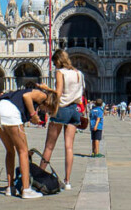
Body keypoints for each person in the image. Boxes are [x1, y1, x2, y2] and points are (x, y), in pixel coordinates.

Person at [0, 84, 60, 199]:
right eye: (48, 110)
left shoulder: (37, 97)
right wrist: (33, 115)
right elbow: (26, 96)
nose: (46, 112)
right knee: (23, 151)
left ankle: (10, 187)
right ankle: (26, 189)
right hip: (9, 110)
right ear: (50, 103)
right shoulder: (43, 95)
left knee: (10, 150)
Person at [39, 49, 85, 191]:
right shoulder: (79, 74)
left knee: (49, 146)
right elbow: (82, 92)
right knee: (69, 147)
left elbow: (58, 94)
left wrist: (46, 88)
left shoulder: (60, 73)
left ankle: (39, 176)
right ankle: (67, 181)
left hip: (62, 110)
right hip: (75, 111)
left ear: (58, 60)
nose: (54, 65)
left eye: (54, 62)